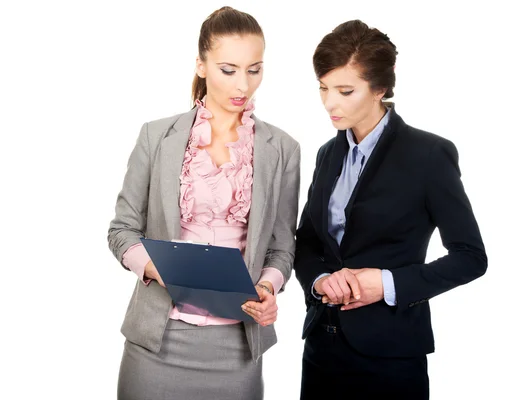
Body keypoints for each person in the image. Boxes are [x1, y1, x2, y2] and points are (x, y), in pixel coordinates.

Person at [107, 6, 300, 399]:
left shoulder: (283, 149)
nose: (242, 85)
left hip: (238, 341)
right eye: (229, 69)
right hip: (158, 339)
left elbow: (282, 246)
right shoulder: (156, 137)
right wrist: (161, 268)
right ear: (201, 65)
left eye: (254, 69)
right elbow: (121, 230)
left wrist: (267, 287)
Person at [294, 20, 487, 399]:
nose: (330, 102)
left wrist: (385, 284)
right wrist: (320, 281)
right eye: (323, 88)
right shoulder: (328, 154)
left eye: (345, 90)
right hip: (321, 349)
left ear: (380, 87)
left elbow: (470, 257)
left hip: (390, 357)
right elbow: (308, 242)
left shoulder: (429, 155)